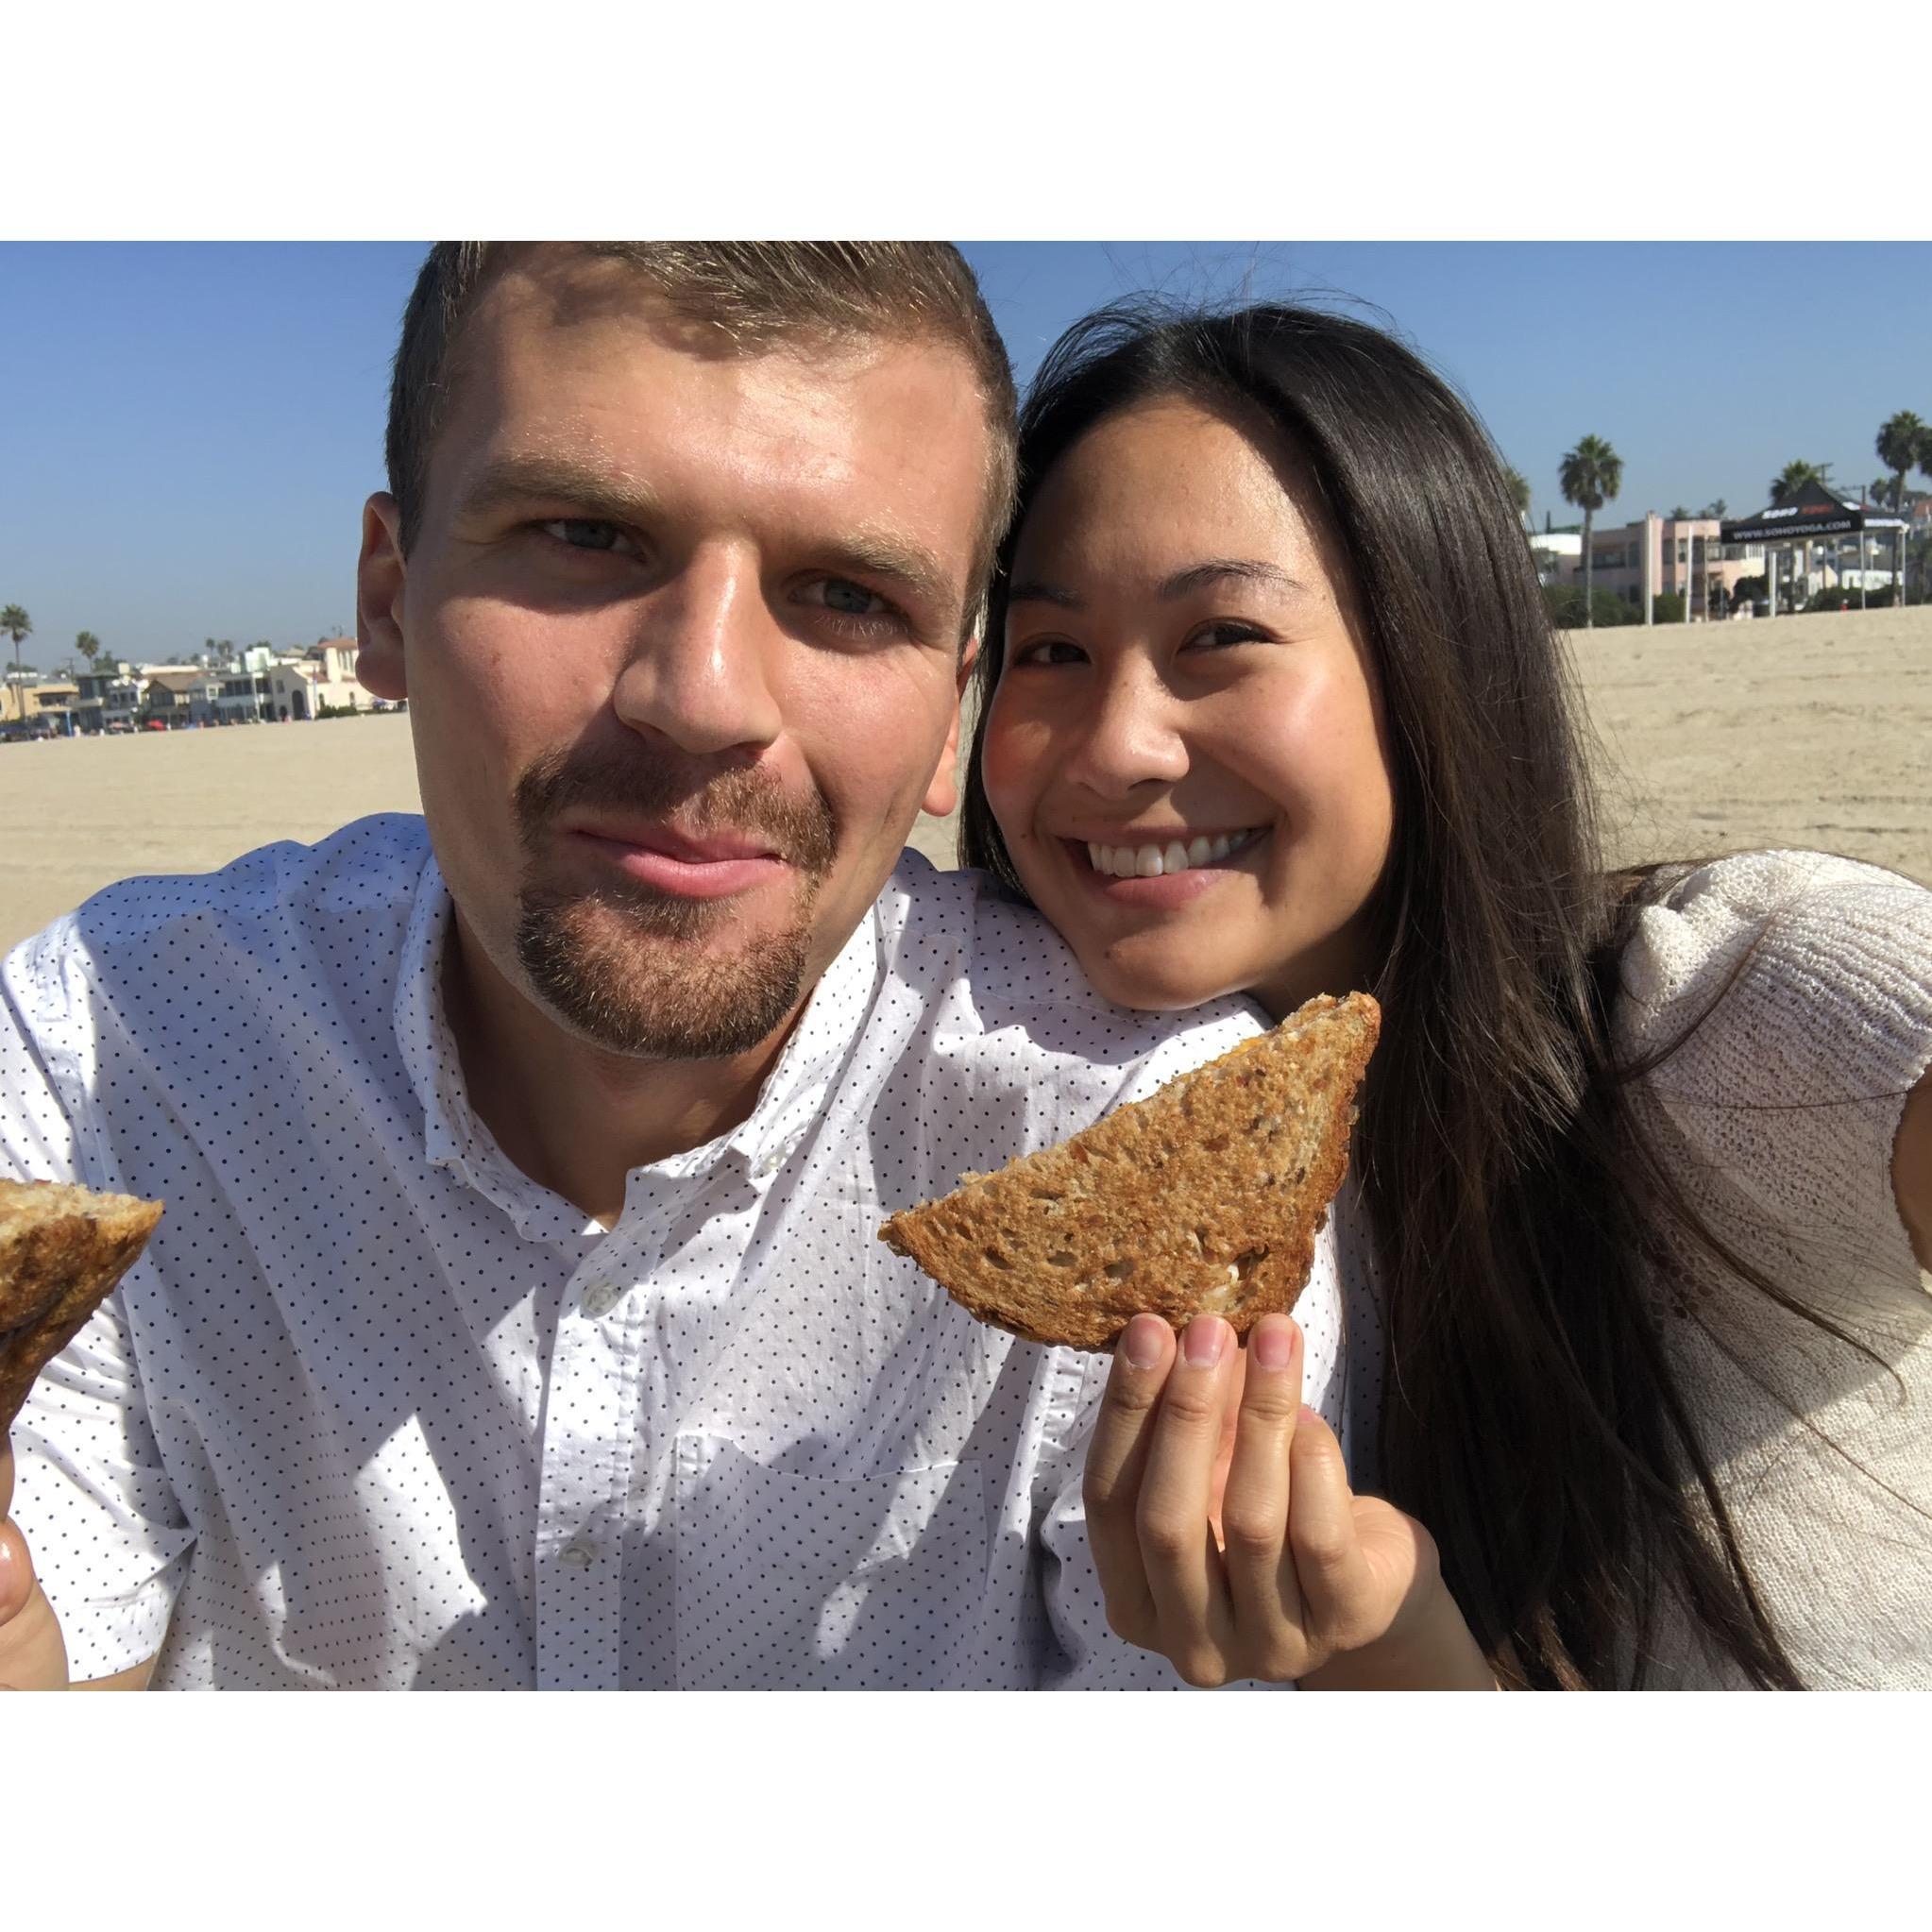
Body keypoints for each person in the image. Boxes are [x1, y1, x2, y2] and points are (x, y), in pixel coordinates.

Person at [0, 245, 1348, 1690]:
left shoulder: (1129, 1142)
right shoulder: (114, 1046)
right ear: (387, 603)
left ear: (950, 713)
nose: (703, 697)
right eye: (584, 535)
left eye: (845, 593)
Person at [961, 299, 1932, 1690]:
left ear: (1428, 663)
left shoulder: (1729, 1016)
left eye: (1220, 633)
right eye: (1049, 650)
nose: (1115, 744)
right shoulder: (1031, 1135)